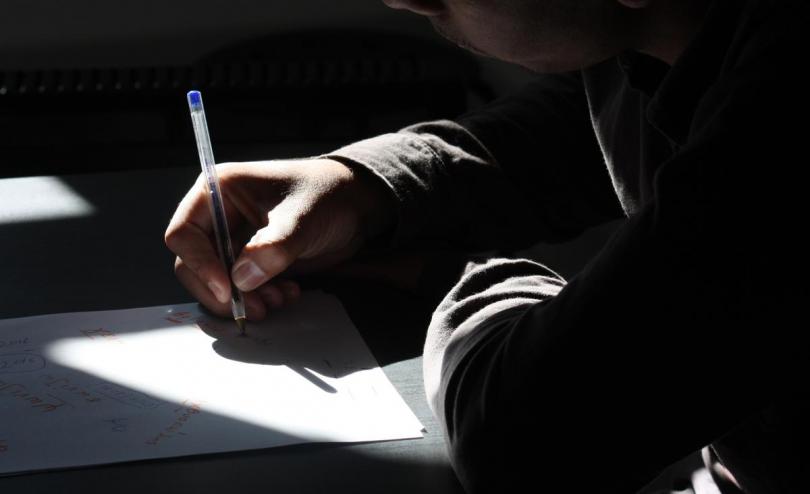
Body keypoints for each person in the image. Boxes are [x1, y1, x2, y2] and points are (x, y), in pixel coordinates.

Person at [165, 0, 810, 492]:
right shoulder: (667, 41)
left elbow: (524, 442)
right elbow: (585, 134)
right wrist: (364, 189)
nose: (402, 0)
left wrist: (447, 276)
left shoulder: (787, 124)